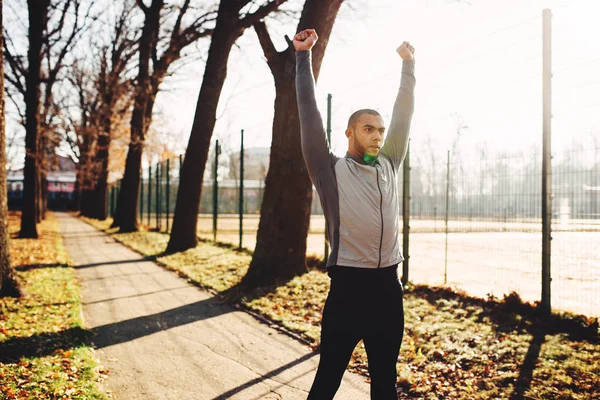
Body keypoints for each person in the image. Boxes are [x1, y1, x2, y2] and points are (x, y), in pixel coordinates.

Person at [293, 28, 416, 400]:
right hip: (348, 287)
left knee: (384, 380)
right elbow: (308, 112)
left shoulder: (390, 164)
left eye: (380, 130)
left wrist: (408, 66)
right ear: (349, 133)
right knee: (329, 376)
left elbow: (404, 113)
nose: (378, 135)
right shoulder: (328, 170)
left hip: (388, 289)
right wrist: (302, 57)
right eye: (368, 129)